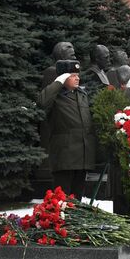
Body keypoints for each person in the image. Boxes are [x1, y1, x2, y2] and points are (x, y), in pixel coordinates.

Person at [38, 61, 96, 201]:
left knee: (77, 199)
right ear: (63, 77)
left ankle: (75, 222)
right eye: (72, 75)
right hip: (65, 157)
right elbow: (42, 103)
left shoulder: (82, 95)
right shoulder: (55, 96)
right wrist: (58, 82)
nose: (77, 78)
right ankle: (62, 223)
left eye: (77, 75)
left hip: (83, 155)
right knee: (62, 199)